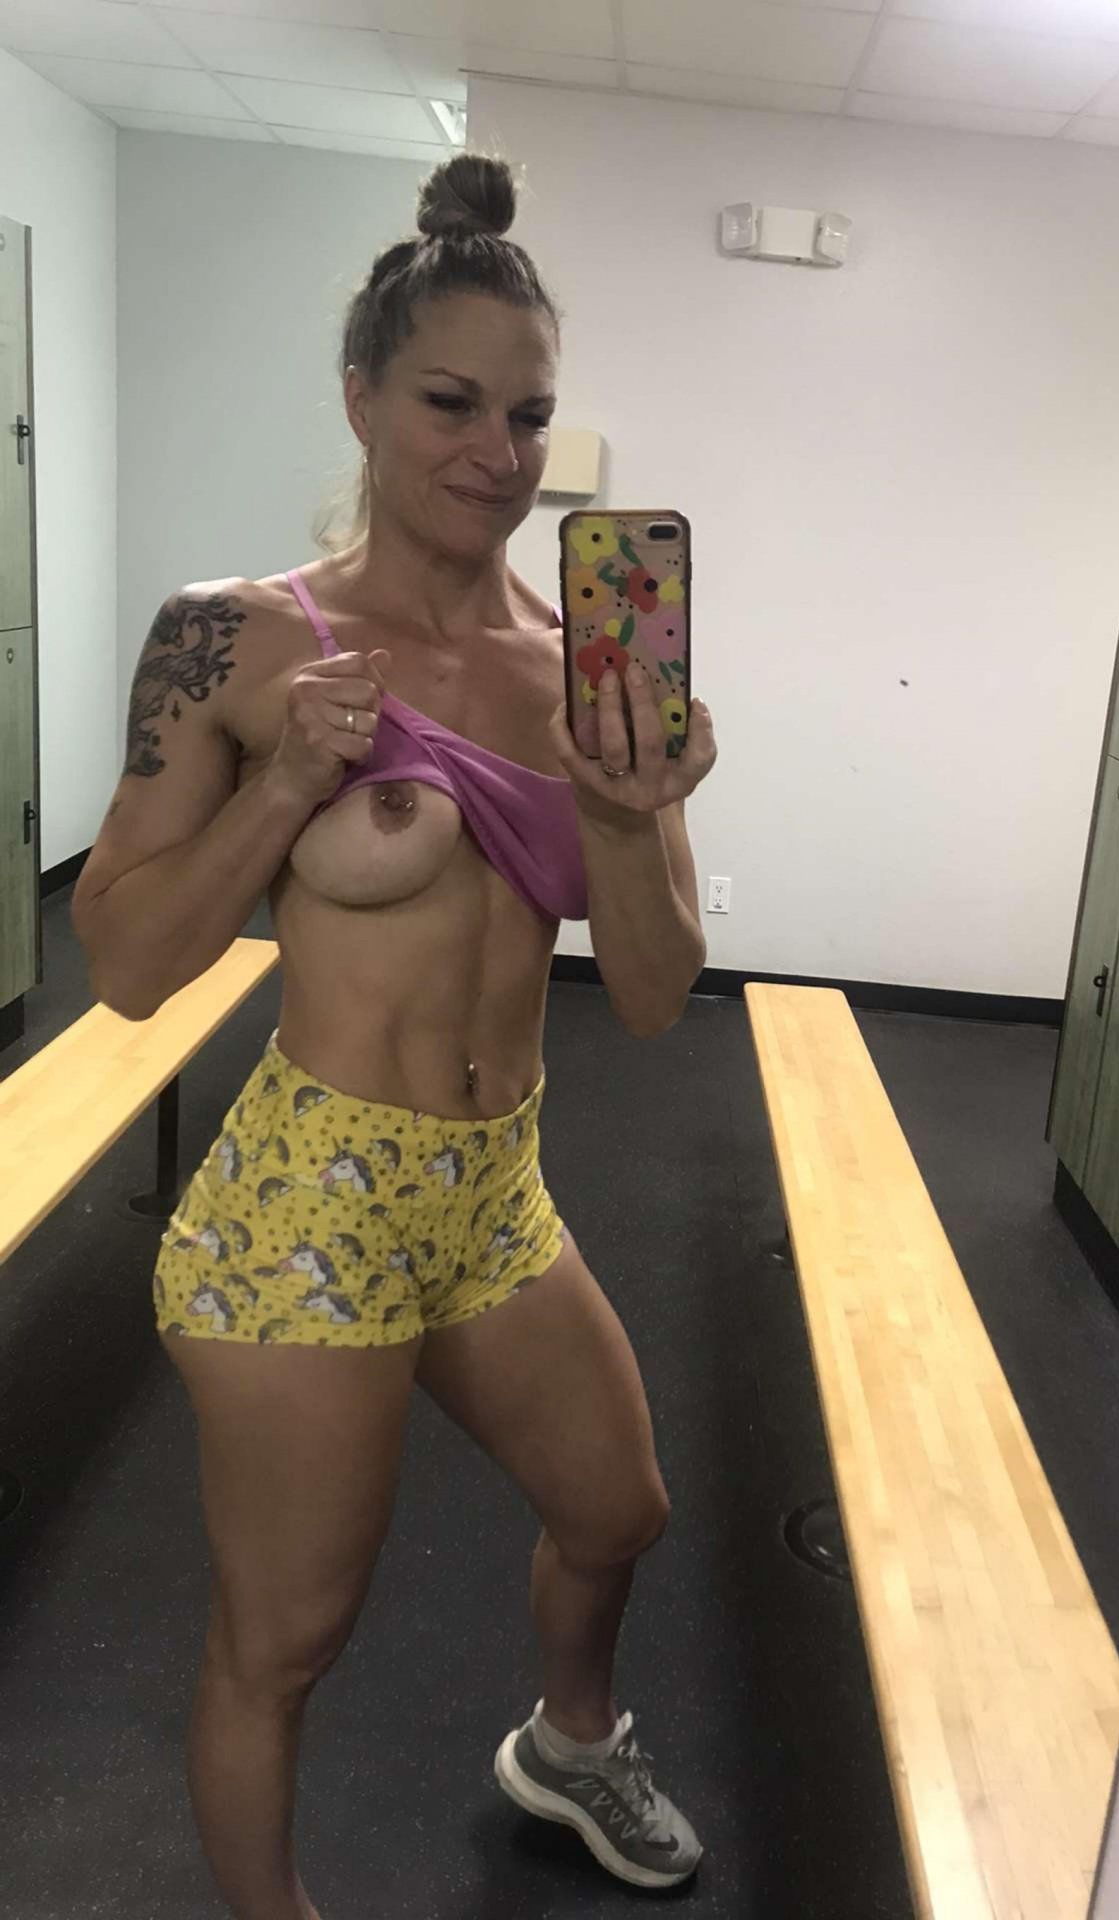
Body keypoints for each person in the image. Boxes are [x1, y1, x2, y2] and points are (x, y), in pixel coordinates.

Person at [73, 152, 716, 1920]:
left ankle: (570, 1745)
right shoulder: (234, 642)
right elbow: (122, 964)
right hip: (305, 1210)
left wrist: (632, 811)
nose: (499, 453)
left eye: (531, 414)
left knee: (620, 1509)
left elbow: (653, 994)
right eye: (452, 402)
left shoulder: (585, 670)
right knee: (287, 1640)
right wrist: (284, 783)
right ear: (360, 395)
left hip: (492, 1192)